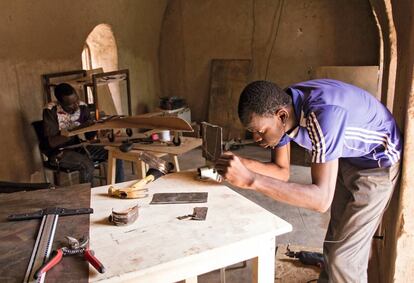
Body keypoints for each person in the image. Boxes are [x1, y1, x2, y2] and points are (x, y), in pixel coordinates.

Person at [215, 79, 402, 282]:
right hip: (348, 158)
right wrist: (239, 163)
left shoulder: (323, 118)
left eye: (260, 131)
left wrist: (250, 180)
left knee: (344, 259)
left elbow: (320, 200)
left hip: (377, 166)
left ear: (281, 116)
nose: (257, 139)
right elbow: (281, 171)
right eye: (252, 132)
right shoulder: (286, 107)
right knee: (334, 242)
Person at [42, 83, 124, 184]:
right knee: (87, 165)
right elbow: (52, 142)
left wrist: (95, 126)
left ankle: (119, 189)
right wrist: (75, 130)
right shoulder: (51, 110)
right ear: (60, 103)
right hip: (59, 152)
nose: (76, 105)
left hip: (79, 146)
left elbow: (89, 136)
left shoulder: (82, 107)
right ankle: (87, 198)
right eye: (70, 104)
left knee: (115, 152)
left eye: (76, 100)